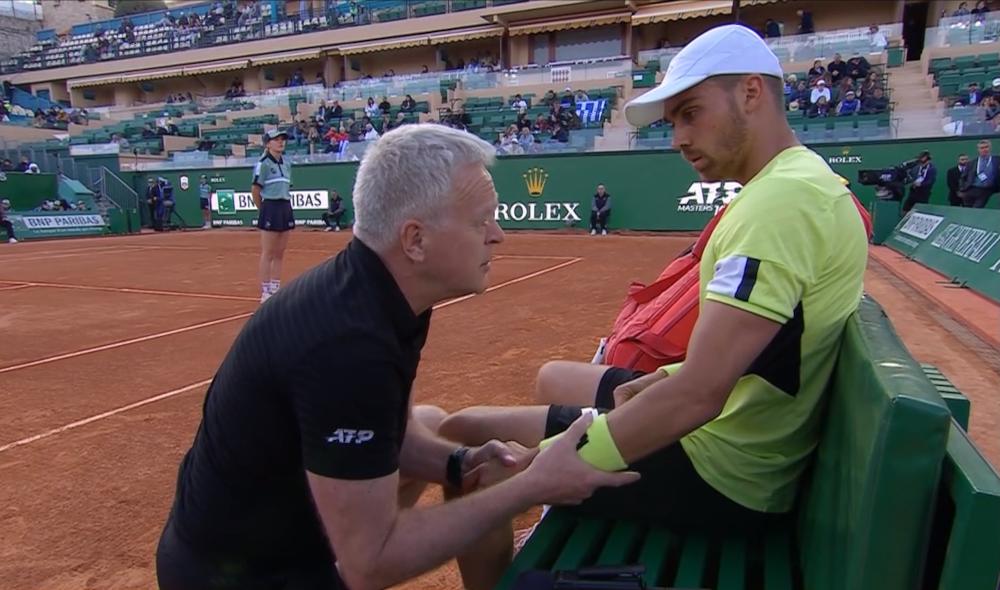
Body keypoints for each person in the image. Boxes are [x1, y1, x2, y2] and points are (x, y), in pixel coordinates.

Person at [436, 23, 868, 553]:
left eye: (691, 113)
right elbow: (755, 363)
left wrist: (544, 467)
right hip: (732, 449)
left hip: (723, 475)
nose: (680, 139)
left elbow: (698, 398)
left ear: (751, 92)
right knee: (466, 426)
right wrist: (665, 376)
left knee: (481, 466)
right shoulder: (802, 184)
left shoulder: (780, 204)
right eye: (673, 123)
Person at [154, 124, 637, 590]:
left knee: (430, 421)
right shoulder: (348, 346)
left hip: (271, 540)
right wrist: (529, 489)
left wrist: (461, 463)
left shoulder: (382, 290)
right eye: (480, 221)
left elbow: (396, 431)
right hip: (249, 578)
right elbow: (370, 564)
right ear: (415, 240)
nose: (497, 235)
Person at [253, 129, 295, 303]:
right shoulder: (262, 164)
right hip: (270, 207)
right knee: (268, 252)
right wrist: (263, 209)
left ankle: (275, 289)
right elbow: (255, 190)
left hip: (285, 206)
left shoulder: (287, 163)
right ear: (268, 143)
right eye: (276, 139)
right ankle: (265, 291)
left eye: (282, 139)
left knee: (280, 252)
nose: (280, 142)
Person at [960, 139, 1000, 208]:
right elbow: (963, 177)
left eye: (986, 147)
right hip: (971, 189)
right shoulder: (972, 162)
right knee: (967, 211)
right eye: (982, 148)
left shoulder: (997, 160)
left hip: (986, 190)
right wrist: (962, 189)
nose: (984, 149)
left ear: (990, 148)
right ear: (978, 149)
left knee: (976, 209)